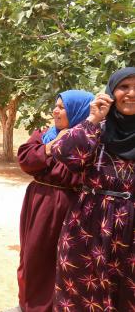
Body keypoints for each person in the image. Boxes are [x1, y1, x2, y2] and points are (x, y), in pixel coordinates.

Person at [52, 67, 135, 311]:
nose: (131, 93)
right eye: (124, 87)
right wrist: (93, 118)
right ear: (111, 92)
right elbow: (64, 153)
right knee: (83, 295)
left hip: (131, 231)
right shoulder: (97, 129)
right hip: (88, 225)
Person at [16, 90, 94, 312]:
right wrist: (54, 144)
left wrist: (70, 142)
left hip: (72, 206)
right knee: (33, 254)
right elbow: (26, 160)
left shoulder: (88, 141)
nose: (55, 110)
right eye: (55, 106)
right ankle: (30, 304)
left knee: (65, 258)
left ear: (78, 111)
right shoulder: (45, 134)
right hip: (40, 202)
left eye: (62, 107)